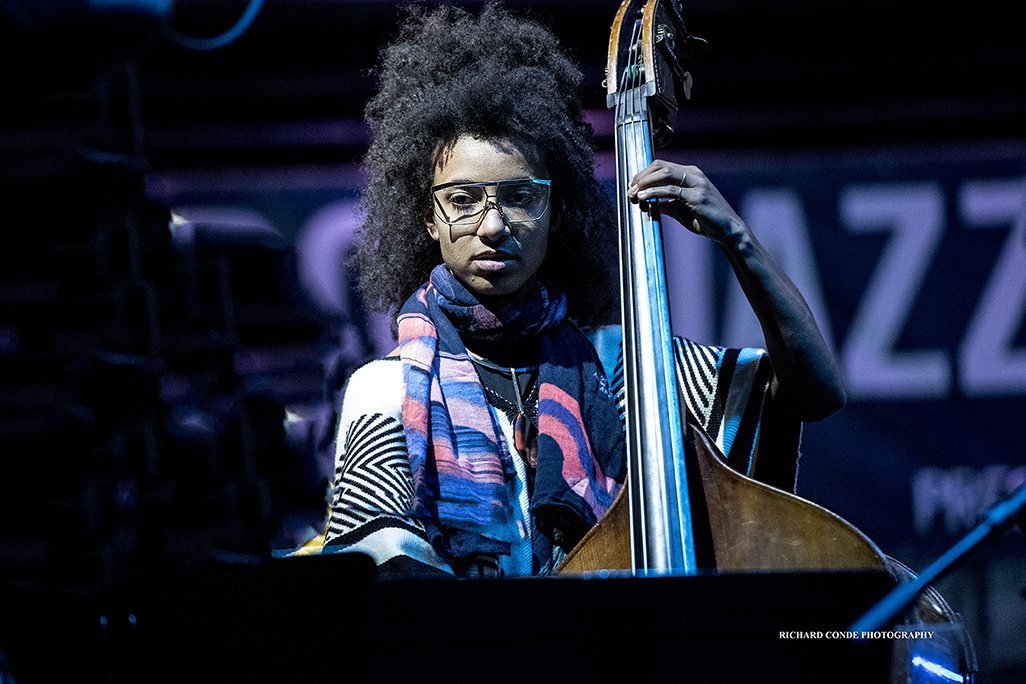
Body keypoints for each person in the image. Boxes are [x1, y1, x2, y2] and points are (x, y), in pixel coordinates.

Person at [321, 3, 845, 578]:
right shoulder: (385, 390)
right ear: (428, 217)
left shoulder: (630, 370)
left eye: (520, 197)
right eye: (464, 199)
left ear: (557, 210)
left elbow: (815, 392)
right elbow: (382, 568)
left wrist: (737, 239)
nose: (493, 225)